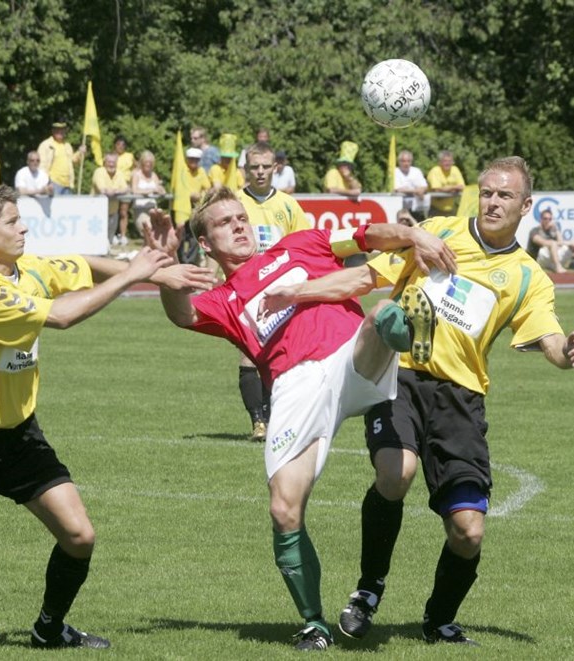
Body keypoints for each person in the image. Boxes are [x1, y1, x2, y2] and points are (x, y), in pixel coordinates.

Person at [0, 185, 210, 661]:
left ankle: (48, 630)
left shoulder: (29, 268)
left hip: (17, 430)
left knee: (79, 536)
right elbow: (61, 316)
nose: (24, 228)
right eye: (14, 222)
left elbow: (82, 263)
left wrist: (156, 271)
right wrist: (136, 276)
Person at [145, 186, 457, 652]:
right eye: (224, 223)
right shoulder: (226, 300)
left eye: (240, 217)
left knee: (380, 316)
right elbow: (183, 314)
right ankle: (314, 623)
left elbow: (367, 236)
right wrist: (166, 275)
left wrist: (414, 236)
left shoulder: (300, 243)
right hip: (295, 386)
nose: (238, 225)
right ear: (206, 244)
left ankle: (401, 326)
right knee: (283, 508)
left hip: (350, 355)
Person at [328, 156, 574, 647]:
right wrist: (303, 290)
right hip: (401, 377)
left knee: (468, 532)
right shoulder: (437, 232)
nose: (492, 202)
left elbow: (548, 337)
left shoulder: (528, 276)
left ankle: (438, 620)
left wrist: (567, 353)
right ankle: (367, 592)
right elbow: (369, 275)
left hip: (461, 400)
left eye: (504, 196)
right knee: (395, 472)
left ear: (525, 205)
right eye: (487, 192)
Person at [235, 141, 313, 440]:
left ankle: (273, 417)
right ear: (246, 169)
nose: (260, 172)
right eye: (254, 167)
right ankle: (258, 422)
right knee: (248, 356)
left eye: (265, 167)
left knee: (279, 356)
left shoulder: (288, 205)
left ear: (275, 168)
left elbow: (305, 242)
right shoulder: (235, 203)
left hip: (281, 288)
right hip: (246, 287)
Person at [128, 150, 167, 246]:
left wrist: (161, 190)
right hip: (140, 209)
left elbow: (158, 187)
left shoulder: (153, 175)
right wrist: (149, 191)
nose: (148, 165)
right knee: (147, 229)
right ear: (142, 162)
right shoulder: (136, 174)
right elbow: (134, 190)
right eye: (146, 162)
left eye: (150, 163)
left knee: (154, 235)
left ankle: (148, 253)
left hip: (153, 208)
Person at [91, 152, 130, 245]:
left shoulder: (119, 173)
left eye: (113, 162)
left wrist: (115, 191)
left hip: (113, 212)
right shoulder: (99, 171)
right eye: (109, 162)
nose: (111, 164)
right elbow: (103, 190)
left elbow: (125, 188)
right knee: (99, 242)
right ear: (105, 162)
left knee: (110, 240)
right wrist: (117, 191)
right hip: (97, 213)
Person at [38, 121, 86, 195]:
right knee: (54, 206)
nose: (59, 132)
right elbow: (41, 165)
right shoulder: (45, 145)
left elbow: (73, 160)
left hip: (67, 183)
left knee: (67, 206)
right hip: (53, 183)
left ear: (65, 131)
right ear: (52, 131)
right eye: (57, 129)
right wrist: (46, 182)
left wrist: (80, 152)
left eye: (62, 130)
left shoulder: (67, 145)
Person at [527, 208, 572, 273]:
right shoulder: (535, 231)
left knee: (570, 246)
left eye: (550, 219)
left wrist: (556, 229)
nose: (547, 221)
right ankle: (558, 267)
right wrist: (554, 243)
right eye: (545, 218)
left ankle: (556, 266)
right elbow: (542, 242)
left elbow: (561, 243)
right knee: (552, 244)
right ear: (541, 219)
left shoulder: (552, 231)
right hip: (538, 259)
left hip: (549, 257)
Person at [426, 150, 465, 217]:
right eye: (445, 161)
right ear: (440, 162)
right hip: (436, 209)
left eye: (450, 161)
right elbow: (437, 189)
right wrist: (454, 187)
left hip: (451, 210)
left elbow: (462, 187)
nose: (448, 163)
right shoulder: (435, 171)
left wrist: (445, 189)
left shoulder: (455, 169)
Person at [393, 149, 429, 220]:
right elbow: (397, 189)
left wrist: (421, 190)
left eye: (408, 161)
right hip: (400, 208)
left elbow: (424, 186)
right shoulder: (395, 171)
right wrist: (416, 191)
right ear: (399, 162)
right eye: (403, 161)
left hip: (416, 207)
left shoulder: (416, 171)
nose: (406, 163)